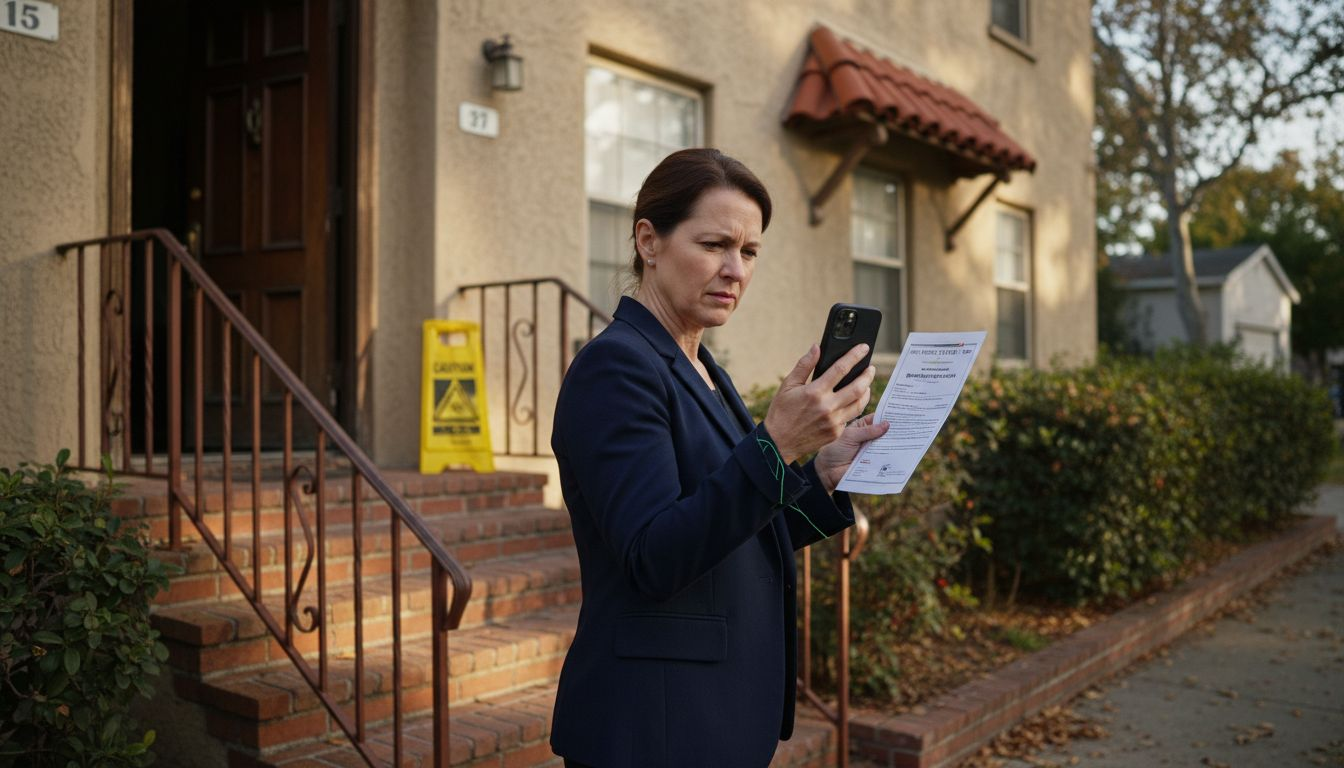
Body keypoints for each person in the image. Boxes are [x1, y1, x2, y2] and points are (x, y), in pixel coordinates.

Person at [549, 148, 888, 768]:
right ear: (648, 241)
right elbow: (654, 556)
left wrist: (821, 473)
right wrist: (779, 444)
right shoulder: (616, 366)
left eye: (750, 251)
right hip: (653, 726)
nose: (735, 269)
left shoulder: (703, 368)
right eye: (714, 245)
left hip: (718, 714)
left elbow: (742, 530)